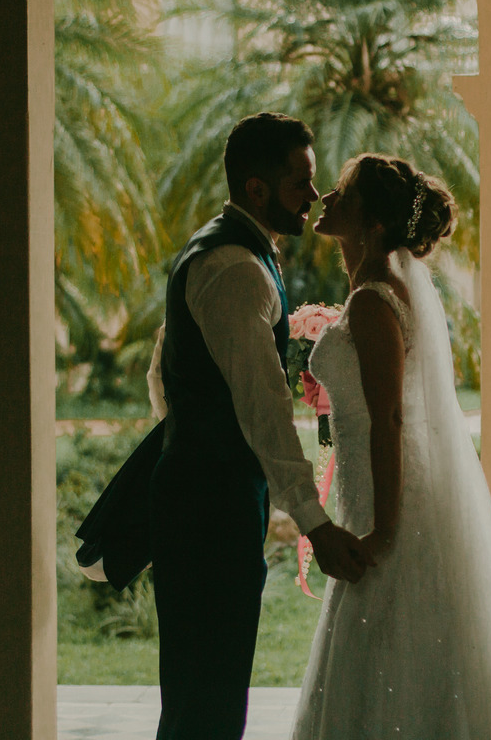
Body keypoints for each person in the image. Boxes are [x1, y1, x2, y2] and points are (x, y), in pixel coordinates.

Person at [290, 154, 491, 739]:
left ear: (371, 224)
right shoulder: (375, 294)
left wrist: (386, 526)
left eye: (342, 193)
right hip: (377, 487)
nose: (328, 199)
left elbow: (391, 417)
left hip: (390, 499)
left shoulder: (374, 300)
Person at [147, 113, 374, 740]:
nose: (312, 195)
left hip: (203, 499)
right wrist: (314, 523)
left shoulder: (225, 251)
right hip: (209, 512)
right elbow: (263, 407)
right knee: (208, 700)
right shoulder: (235, 269)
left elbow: (161, 370)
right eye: (300, 182)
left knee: (203, 692)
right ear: (256, 188)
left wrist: (188, 434)